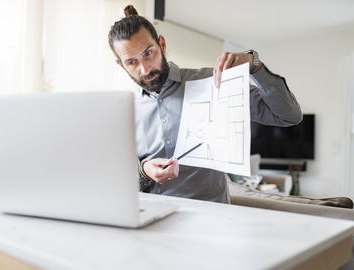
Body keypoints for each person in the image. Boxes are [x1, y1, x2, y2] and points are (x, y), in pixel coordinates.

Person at [108, 5, 302, 203]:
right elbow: (114, 173)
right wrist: (143, 170)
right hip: (151, 217)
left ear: (162, 45)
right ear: (121, 65)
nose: (145, 68)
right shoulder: (123, 109)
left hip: (212, 220)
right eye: (131, 62)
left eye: (148, 53)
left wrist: (254, 66)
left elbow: (289, 115)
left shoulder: (214, 82)